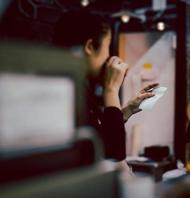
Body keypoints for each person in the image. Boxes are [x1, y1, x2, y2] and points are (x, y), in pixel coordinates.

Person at [53, 11, 158, 169]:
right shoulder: (64, 94)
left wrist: (126, 110)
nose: (110, 56)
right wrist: (111, 91)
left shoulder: (75, 87)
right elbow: (113, 155)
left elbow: (101, 136)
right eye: (108, 46)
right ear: (89, 47)